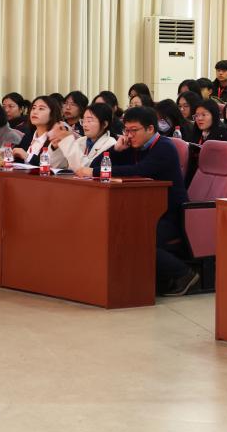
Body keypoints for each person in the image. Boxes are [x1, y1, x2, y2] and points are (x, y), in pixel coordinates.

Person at [111, 105, 196, 295]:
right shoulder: (134, 146)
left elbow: (138, 171)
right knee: (118, 231)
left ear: (150, 128)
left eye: (134, 130)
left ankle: (184, 274)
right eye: (126, 130)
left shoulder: (164, 147)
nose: (129, 135)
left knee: (137, 237)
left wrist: (94, 171)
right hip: (147, 209)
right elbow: (99, 165)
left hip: (171, 214)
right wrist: (115, 150)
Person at [54, 101, 119, 177]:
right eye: (83, 120)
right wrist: (55, 147)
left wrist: (68, 141)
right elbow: (57, 165)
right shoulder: (80, 140)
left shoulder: (111, 144)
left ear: (104, 124)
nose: (84, 124)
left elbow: (87, 169)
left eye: (89, 120)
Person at [10, 96, 61, 163]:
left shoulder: (56, 139)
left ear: (52, 114)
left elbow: (51, 165)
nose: (35, 112)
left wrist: (27, 156)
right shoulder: (27, 135)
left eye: (41, 109)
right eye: (33, 108)